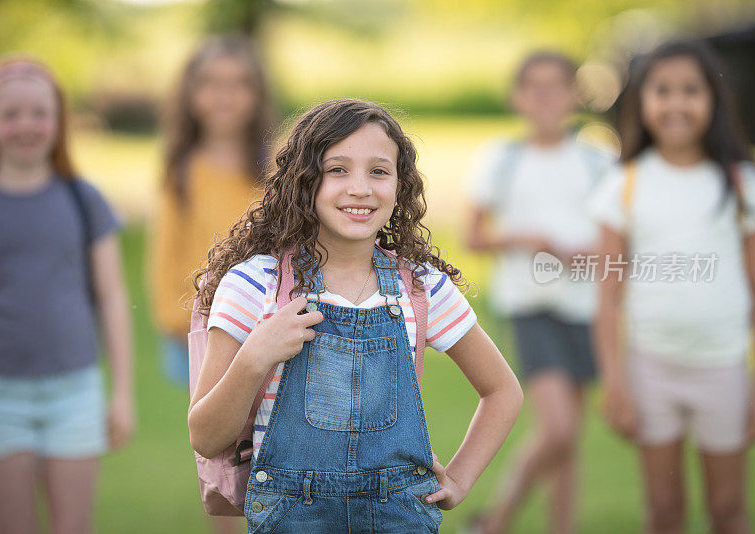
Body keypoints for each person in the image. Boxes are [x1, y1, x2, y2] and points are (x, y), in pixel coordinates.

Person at [187, 98, 523, 532]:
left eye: (379, 171)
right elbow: (206, 437)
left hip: (401, 516)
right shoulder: (255, 286)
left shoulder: (420, 288)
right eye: (337, 170)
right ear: (302, 182)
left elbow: (502, 390)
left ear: (401, 186)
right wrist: (255, 356)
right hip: (290, 518)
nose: (360, 188)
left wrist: (459, 478)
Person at [0, 56, 134, 534]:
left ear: (58, 121)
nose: (26, 125)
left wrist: (121, 393)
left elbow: (112, 297)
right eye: (10, 114)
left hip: (74, 391)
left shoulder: (83, 200)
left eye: (39, 112)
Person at [590, 40, 755, 534]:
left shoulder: (740, 182)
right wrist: (615, 382)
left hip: (723, 368)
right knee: (664, 510)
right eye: (662, 91)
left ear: (714, 100)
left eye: (691, 91)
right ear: (642, 101)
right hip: (651, 370)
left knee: (727, 508)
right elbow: (607, 296)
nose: (677, 103)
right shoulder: (625, 184)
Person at [465, 51, 613, 534]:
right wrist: (533, 240)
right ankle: (495, 521)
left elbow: (619, 238)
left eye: (557, 86)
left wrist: (588, 252)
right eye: (535, 87)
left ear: (575, 93)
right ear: (518, 96)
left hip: (587, 307)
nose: (547, 97)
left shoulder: (598, 159)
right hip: (531, 304)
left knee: (569, 442)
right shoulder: (502, 160)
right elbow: (474, 236)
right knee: (558, 428)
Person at [149, 34, 273, 388]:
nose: (225, 95)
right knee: (214, 433)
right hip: (199, 324)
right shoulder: (182, 170)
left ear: (257, 93)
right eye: (212, 83)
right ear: (190, 93)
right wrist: (175, 317)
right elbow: (165, 253)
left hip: (264, 323)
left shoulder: (277, 166)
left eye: (238, 83)